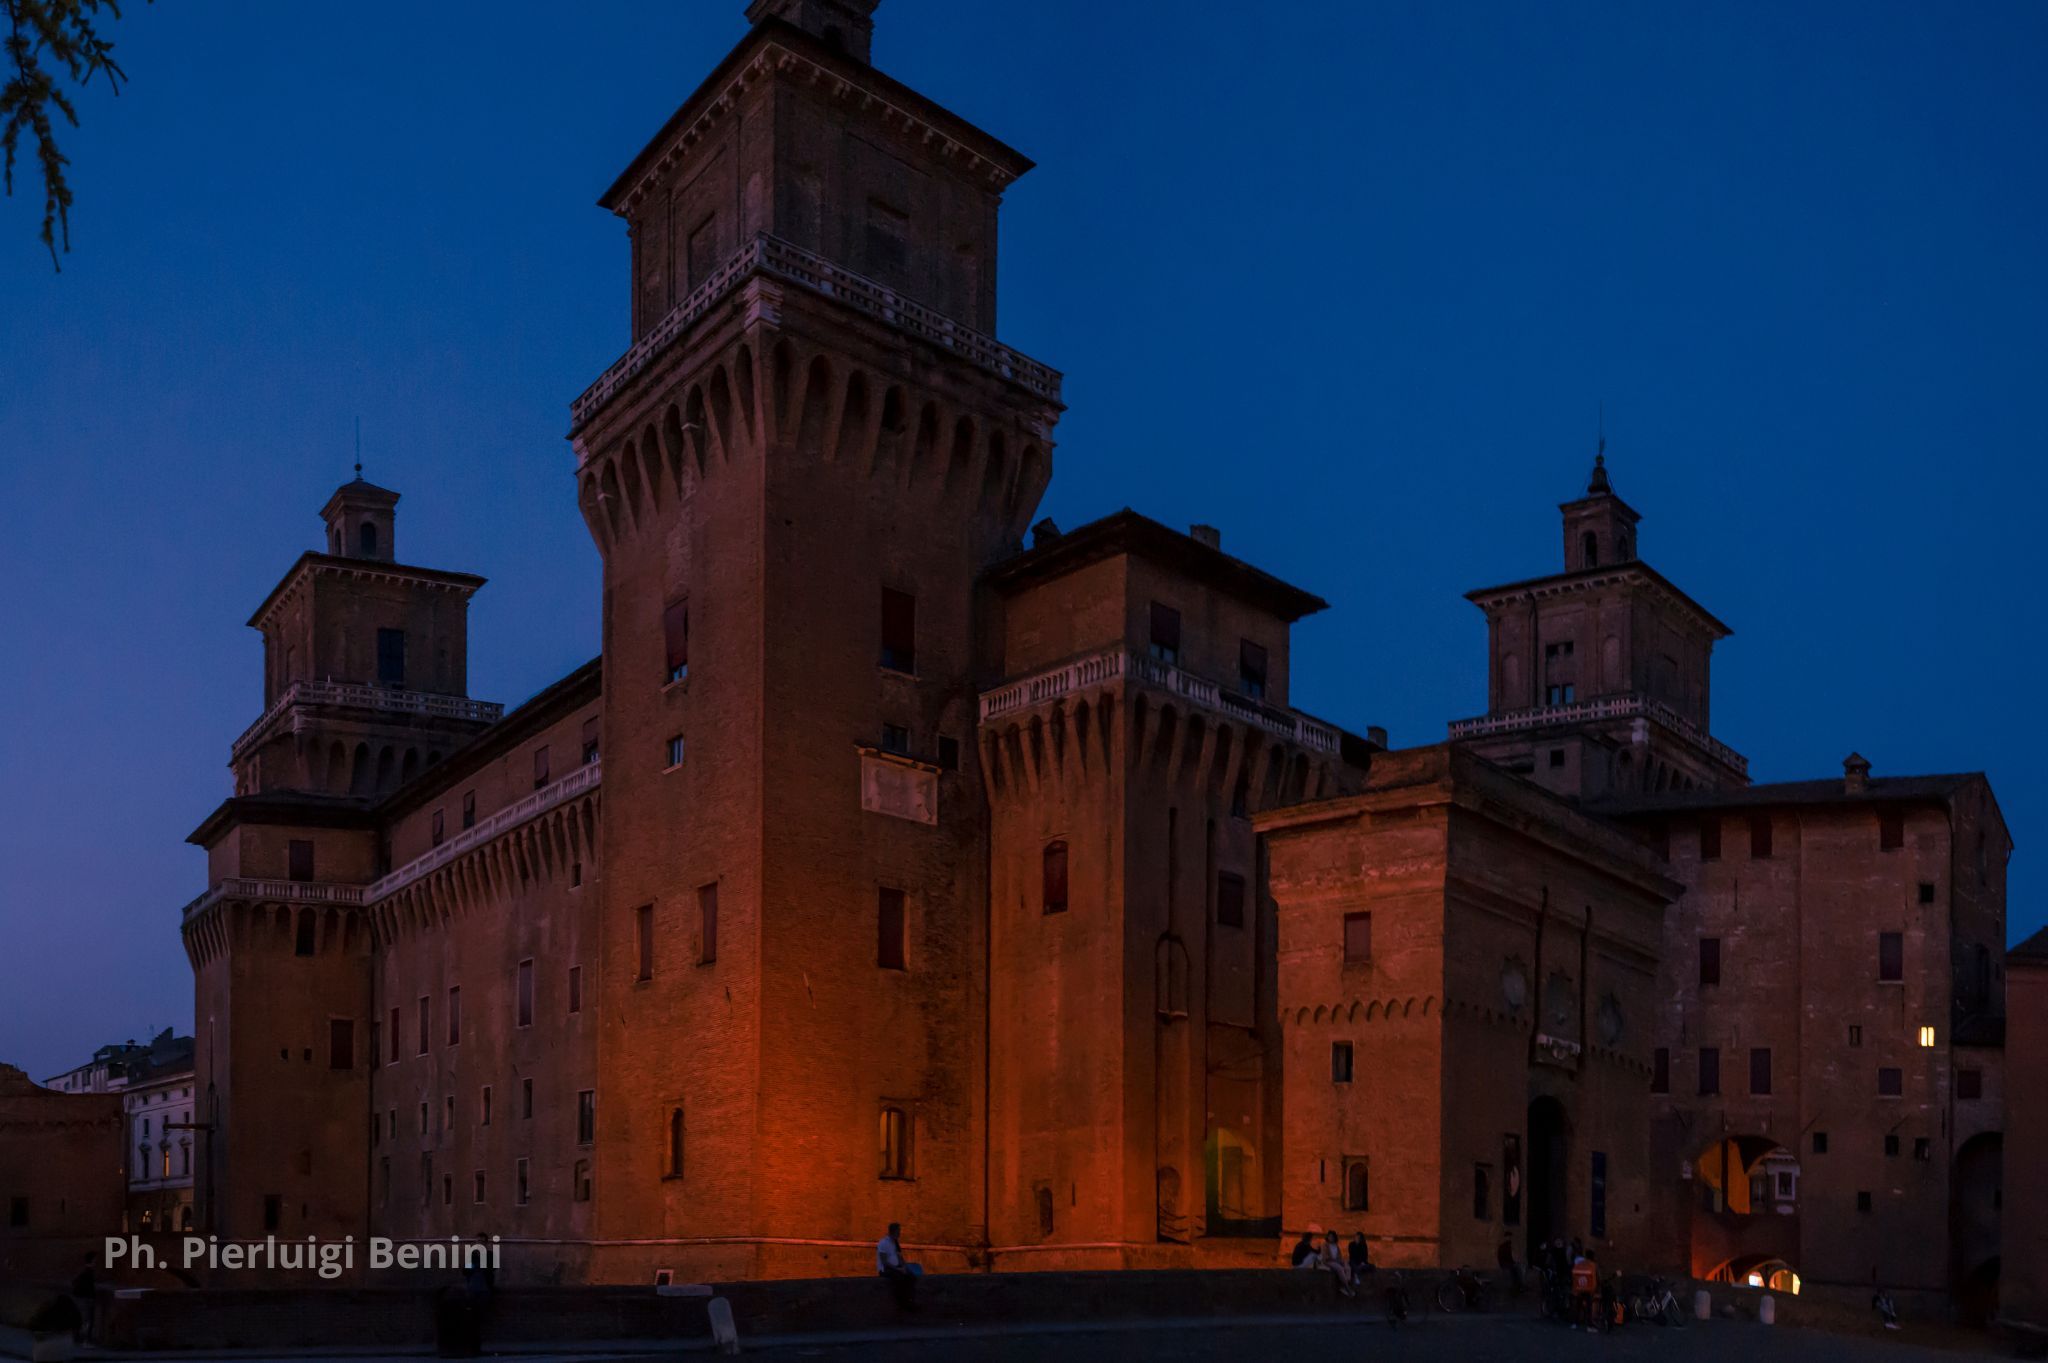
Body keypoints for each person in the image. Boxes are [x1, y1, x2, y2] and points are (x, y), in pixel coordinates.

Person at [877, 1223, 919, 1311]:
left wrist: (904, 1267)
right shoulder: (883, 1243)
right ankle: (902, 1304)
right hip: (886, 1269)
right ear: (894, 1232)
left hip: (897, 1267)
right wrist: (898, 1269)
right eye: (899, 1231)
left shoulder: (895, 1242)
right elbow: (884, 1262)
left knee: (912, 1277)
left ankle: (910, 1301)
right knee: (899, 1279)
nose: (900, 1233)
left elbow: (899, 1256)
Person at [1317, 1230, 1356, 1296]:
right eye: (1329, 1236)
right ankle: (1347, 1288)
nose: (1331, 1238)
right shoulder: (1325, 1245)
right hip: (1328, 1261)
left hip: (1336, 1261)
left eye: (1332, 1236)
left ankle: (1345, 1283)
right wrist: (1336, 1261)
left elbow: (1339, 1256)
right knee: (1340, 1268)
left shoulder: (1336, 1246)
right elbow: (1325, 1257)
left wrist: (1341, 1261)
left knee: (1347, 1267)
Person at [1570, 1245, 1600, 1330]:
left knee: (1578, 1306)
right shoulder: (1593, 1265)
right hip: (1589, 1289)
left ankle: (1575, 1323)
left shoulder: (1580, 1264)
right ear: (1593, 1256)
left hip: (1579, 1288)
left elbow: (1573, 1274)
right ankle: (1589, 1325)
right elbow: (1598, 1276)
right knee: (1589, 1308)